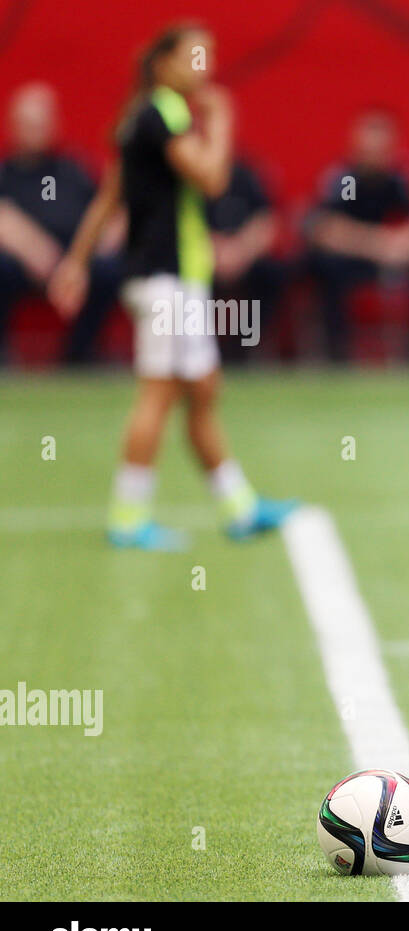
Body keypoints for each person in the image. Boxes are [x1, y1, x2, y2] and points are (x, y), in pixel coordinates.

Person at [48, 22, 297, 550]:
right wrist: (224, 118)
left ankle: (239, 507)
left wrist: (75, 260)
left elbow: (109, 197)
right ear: (163, 64)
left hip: (177, 282)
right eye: (193, 57)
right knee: (158, 396)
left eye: (209, 57)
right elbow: (211, 178)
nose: (204, 68)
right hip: (165, 282)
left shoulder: (147, 116)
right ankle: (127, 517)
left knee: (202, 392)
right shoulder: (164, 112)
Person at [0, 82, 123, 365]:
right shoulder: (5, 174)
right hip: (23, 262)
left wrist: (84, 254)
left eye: (43, 122)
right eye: (30, 124)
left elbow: (107, 209)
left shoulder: (73, 169)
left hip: (74, 258)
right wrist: (33, 249)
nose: (37, 131)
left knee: (108, 269)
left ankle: (81, 352)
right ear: (13, 125)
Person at [304, 109, 409, 363]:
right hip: (353, 258)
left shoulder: (401, 178)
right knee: (327, 267)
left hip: (395, 258)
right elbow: (326, 229)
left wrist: (408, 244)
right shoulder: (345, 180)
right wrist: (378, 244)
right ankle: (337, 354)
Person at [208, 157, 289, 364]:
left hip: (245, 255)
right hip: (204, 256)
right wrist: (215, 251)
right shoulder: (188, 177)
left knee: (272, 273)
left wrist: (241, 252)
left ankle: (245, 344)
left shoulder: (245, 176)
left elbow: (265, 220)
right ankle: (202, 348)